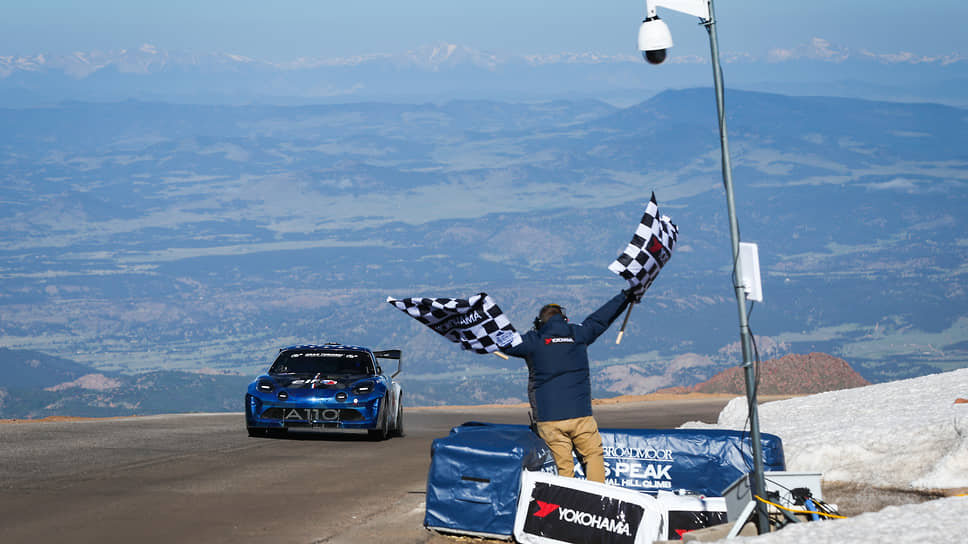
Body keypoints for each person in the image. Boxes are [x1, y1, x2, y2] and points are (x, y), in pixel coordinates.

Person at [498, 290, 634, 482]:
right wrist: (626, 296)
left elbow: (502, 340)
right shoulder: (578, 334)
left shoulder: (533, 341)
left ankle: (567, 504)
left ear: (539, 324)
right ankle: (598, 499)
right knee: (593, 456)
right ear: (565, 319)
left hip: (549, 419)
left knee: (563, 467)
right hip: (581, 415)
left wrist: (471, 332)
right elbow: (602, 317)